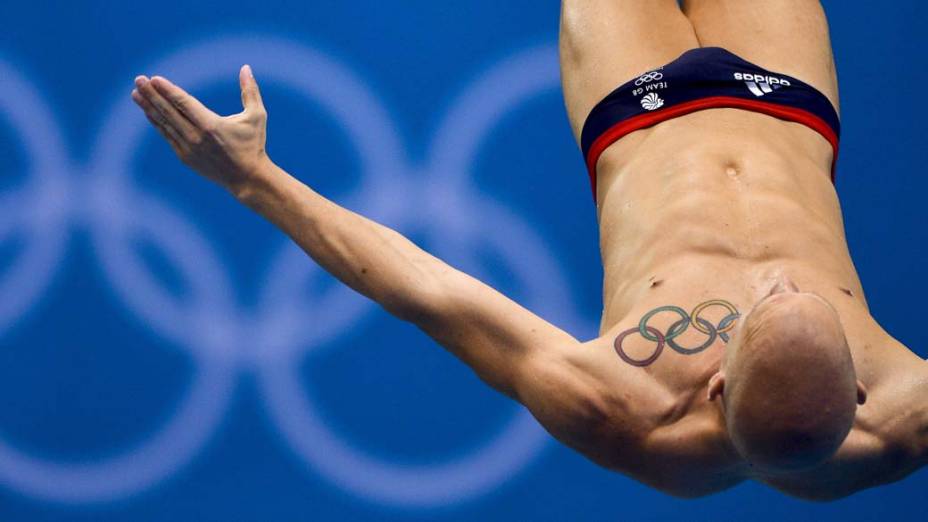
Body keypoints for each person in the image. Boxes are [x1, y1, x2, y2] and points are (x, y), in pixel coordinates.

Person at [129, 0, 927, 500]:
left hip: (635, 106)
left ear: (716, 382)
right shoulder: (905, 413)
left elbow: (427, 292)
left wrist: (253, 179)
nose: (773, 285)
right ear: (861, 389)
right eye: (801, 294)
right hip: (789, 101)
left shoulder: (624, 408)